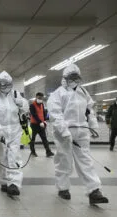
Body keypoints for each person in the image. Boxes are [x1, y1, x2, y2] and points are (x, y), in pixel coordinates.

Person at [47, 64, 108, 204]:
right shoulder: (58, 93)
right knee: (64, 160)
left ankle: (94, 190)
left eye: (76, 77)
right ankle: (63, 188)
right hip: (64, 133)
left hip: (82, 131)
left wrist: (93, 126)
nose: (74, 80)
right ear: (65, 78)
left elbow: (90, 111)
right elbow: (56, 115)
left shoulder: (83, 92)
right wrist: (64, 131)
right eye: (71, 77)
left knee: (86, 160)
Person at [0, 71, 29, 196]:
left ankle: (14, 183)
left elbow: (25, 108)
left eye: (7, 84)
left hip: (14, 130)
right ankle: (4, 181)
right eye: (2, 85)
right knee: (1, 157)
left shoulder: (15, 94)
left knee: (14, 156)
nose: (5, 87)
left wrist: (21, 103)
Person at [29, 92, 54, 157]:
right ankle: (33, 152)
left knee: (44, 138)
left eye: (41, 98)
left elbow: (43, 113)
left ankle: (48, 152)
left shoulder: (42, 104)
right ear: (36, 97)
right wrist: (40, 122)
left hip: (41, 125)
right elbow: (34, 115)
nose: (40, 99)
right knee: (32, 139)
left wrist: (44, 120)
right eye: (39, 98)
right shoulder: (32, 105)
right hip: (34, 125)